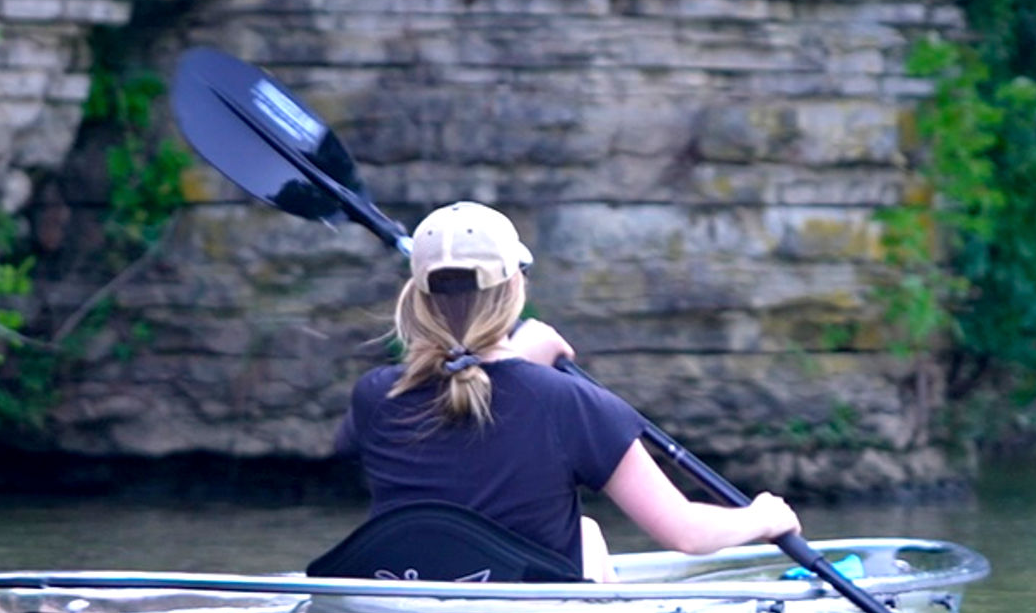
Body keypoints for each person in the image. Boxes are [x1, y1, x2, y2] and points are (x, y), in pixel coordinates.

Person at [334, 201, 800, 582]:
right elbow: (686, 533)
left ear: (417, 295)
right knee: (587, 538)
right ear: (515, 285)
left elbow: (469, 403)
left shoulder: (375, 397)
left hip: (407, 611)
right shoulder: (568, 403)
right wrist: (764, 518)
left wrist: (515, 362)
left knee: (586, 534)